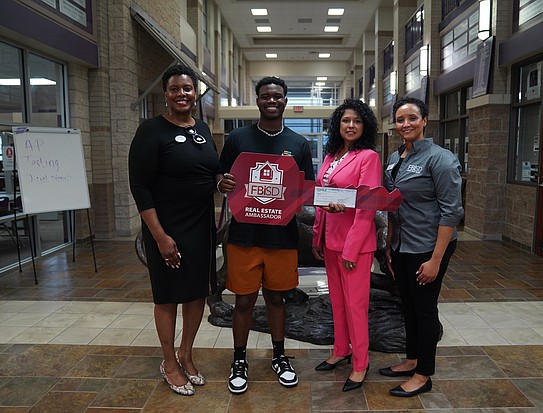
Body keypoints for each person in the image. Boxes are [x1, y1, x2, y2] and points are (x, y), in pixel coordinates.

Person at [217, 76, 315, 394]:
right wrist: (221, 182)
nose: (271, 100)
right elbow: (220, 173)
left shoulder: (299, 144)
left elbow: (307, 190)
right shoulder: (237, 138)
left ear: (285, 101)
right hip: (243, 236)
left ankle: (279, 356)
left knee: (276, 298)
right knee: (244, 301)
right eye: (265, 96)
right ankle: (239, 360)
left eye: (277, 96)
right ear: (257, 100)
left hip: (281, 238)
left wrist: (322, 200)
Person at [128, 64, 219, 396]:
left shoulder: (203, 129)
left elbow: (211, 171)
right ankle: (169, 362)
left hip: (200, 224)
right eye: (175, 89)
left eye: (187, 88)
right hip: (166, 225)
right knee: (167, 295)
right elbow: (140, 187)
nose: (182, 94)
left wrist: (221, 181)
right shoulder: (151, 130)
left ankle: (186, 354)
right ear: (165, 94)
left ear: (195, 93)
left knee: (196, 293)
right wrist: (160, 236)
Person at [380, 96, 463, 397]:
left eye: (412, 118)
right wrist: (389, 244)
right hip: (402, 244)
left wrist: (436, 260)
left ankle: (423, 374)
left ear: (424, 120)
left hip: (428, 246)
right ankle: (412, 359)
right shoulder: (395, 157)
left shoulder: (440, 159)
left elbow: (451, 212)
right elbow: (392, 204)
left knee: (425, 309)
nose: (406, 124)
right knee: (408, 306)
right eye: (400, 119)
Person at [311, 98, 382, 392]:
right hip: (330, 241)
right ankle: (341, 349)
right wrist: (317, 235)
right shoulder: (332, 155)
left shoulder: (369, 157)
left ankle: (361, 363)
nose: (350, 125)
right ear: (337, 125)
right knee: (338, 302)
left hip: (355, 246)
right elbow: (321, 196)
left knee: (355, 306)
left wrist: (351, 250)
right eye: (345, 120)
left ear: (365, 126)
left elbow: (367, 208)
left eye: (357, 121)